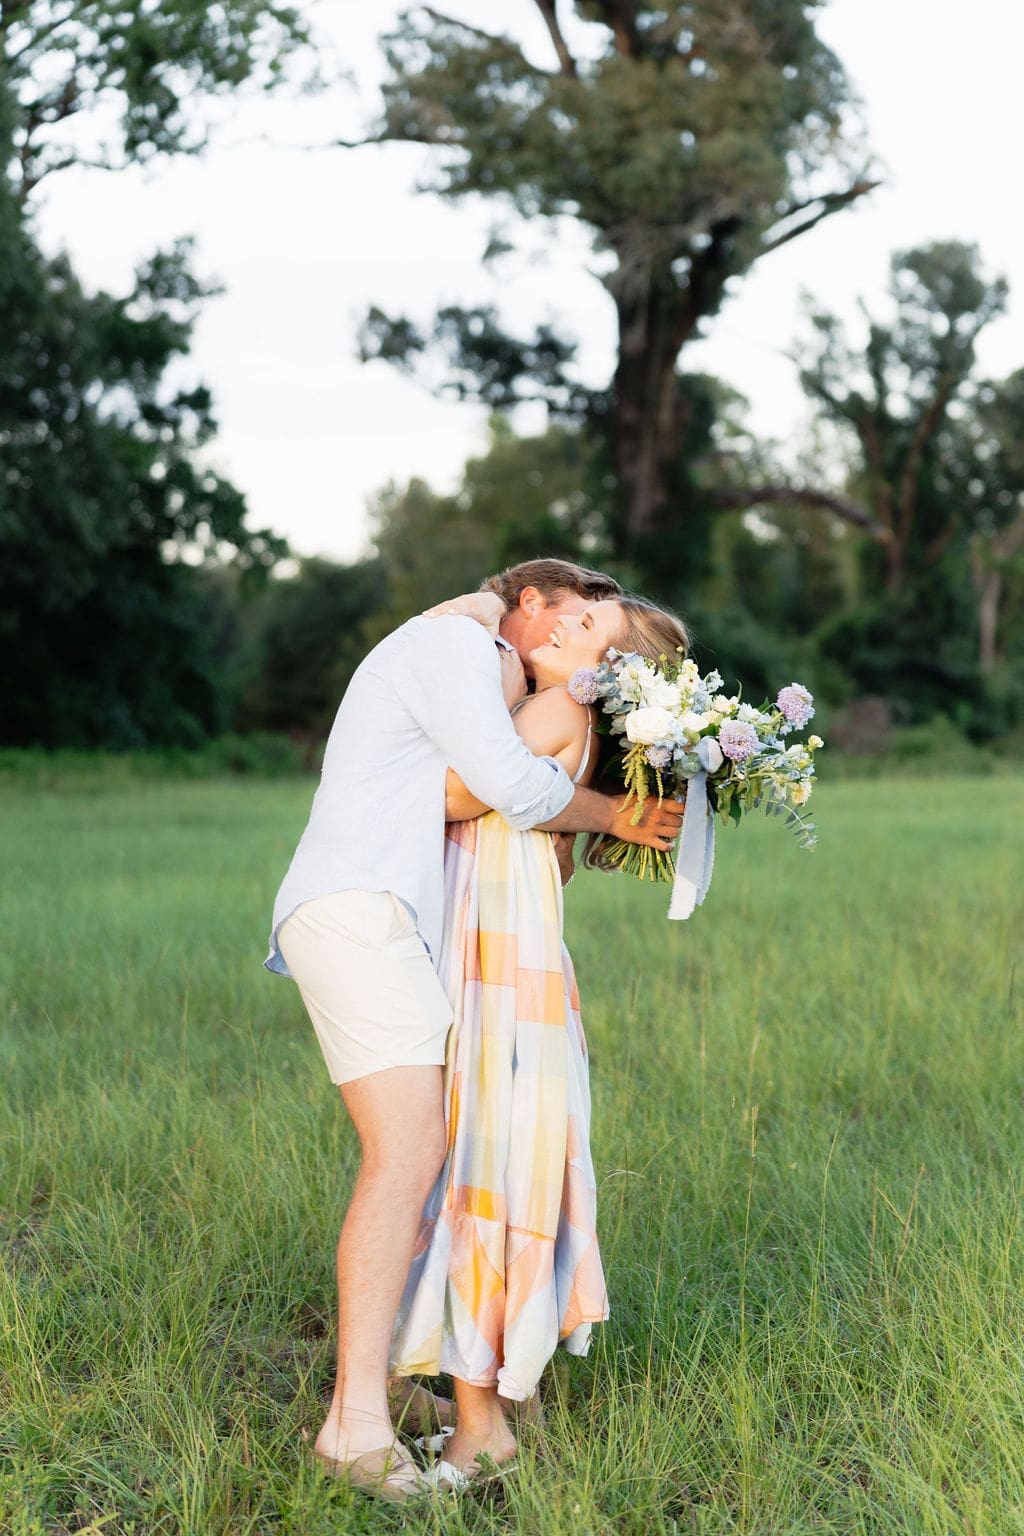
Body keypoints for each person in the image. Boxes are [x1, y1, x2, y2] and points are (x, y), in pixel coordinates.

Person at [264, 560, 686, 1503]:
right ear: (532, 605)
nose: (571, 643)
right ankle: (390, 1410)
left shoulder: (521, 689)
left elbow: (478, 794)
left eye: (596, 639)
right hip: (389, 920)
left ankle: (397, 1408)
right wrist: (611, 805)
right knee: (430, 1161)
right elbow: (500, 797)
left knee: (441, 1162)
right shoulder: (479, 659)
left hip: (434, 935)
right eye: (572, 620)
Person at [388, 592, 690, 1490]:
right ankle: (486, 1396)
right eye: (571, 614)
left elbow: (445, 792)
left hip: (498, 971)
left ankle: (482, 1430)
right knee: (506, 1165)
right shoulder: (570, 727)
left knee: (486, 1167)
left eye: (588, 626)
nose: (562, 624)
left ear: (615, 673)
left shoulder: (555, 710)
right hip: (517, 968)